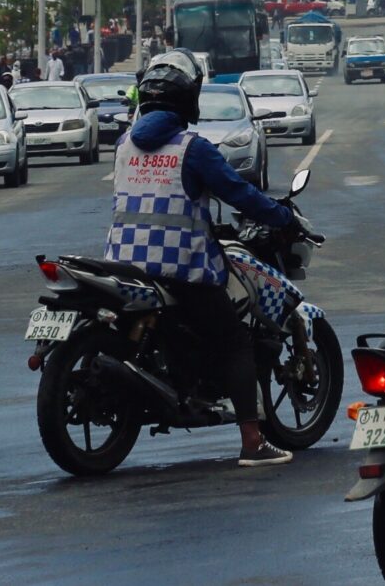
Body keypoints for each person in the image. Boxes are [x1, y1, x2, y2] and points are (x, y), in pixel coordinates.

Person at [106, 49, 296, 468]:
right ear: (187, 101)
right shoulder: (193, 149)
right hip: (181, 269)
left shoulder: (123, 145)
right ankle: (252, 441)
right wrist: (282, 216)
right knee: (235, 341)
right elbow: (239, 192)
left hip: (123, 266)